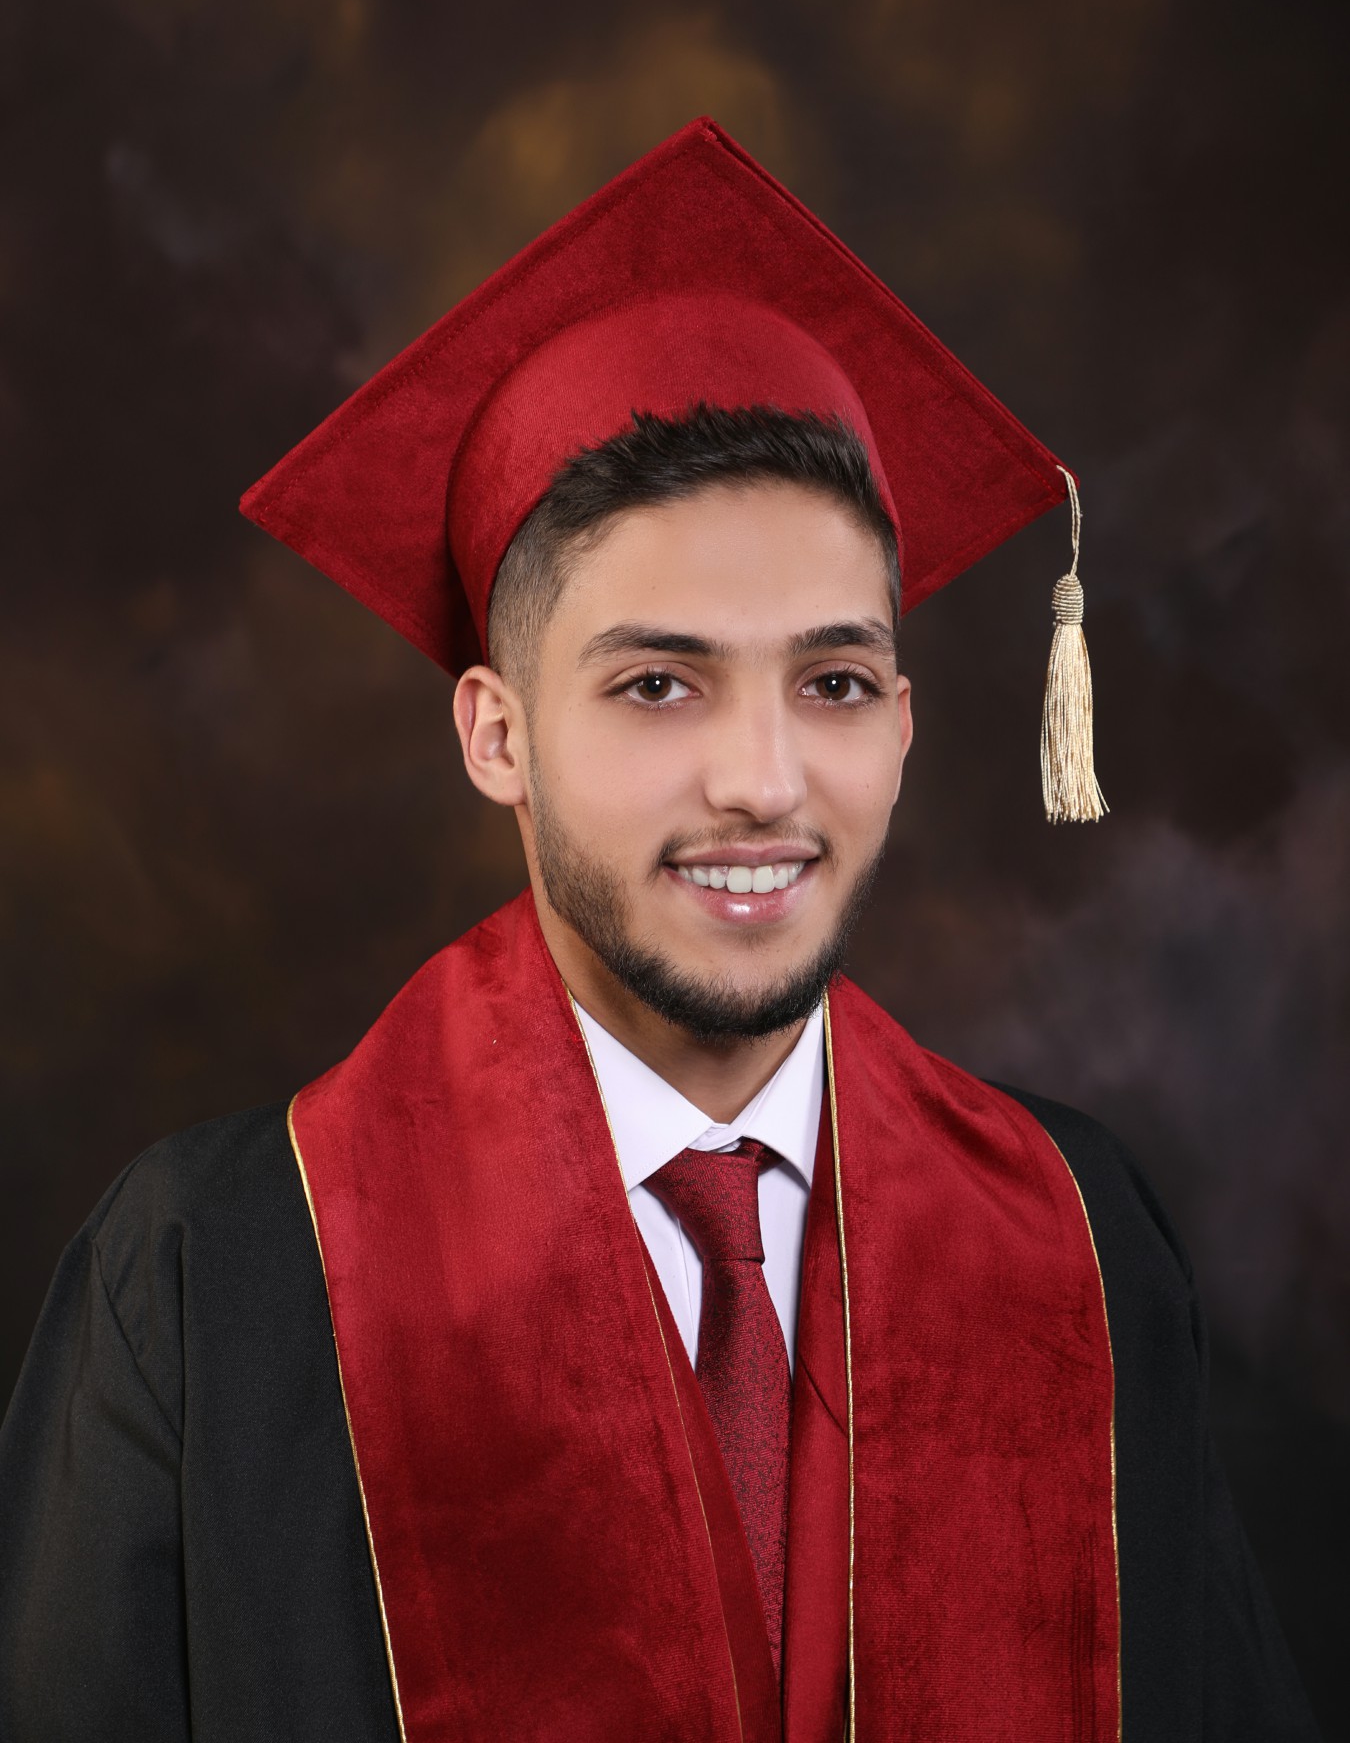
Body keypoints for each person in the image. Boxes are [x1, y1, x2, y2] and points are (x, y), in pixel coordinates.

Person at [0, 119, 1319, 1743]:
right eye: (655, 684)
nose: (762, 780)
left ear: (903, 722)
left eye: (832, 682)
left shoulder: (1080, 1240)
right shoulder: (221, 1275)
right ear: (495, 736)